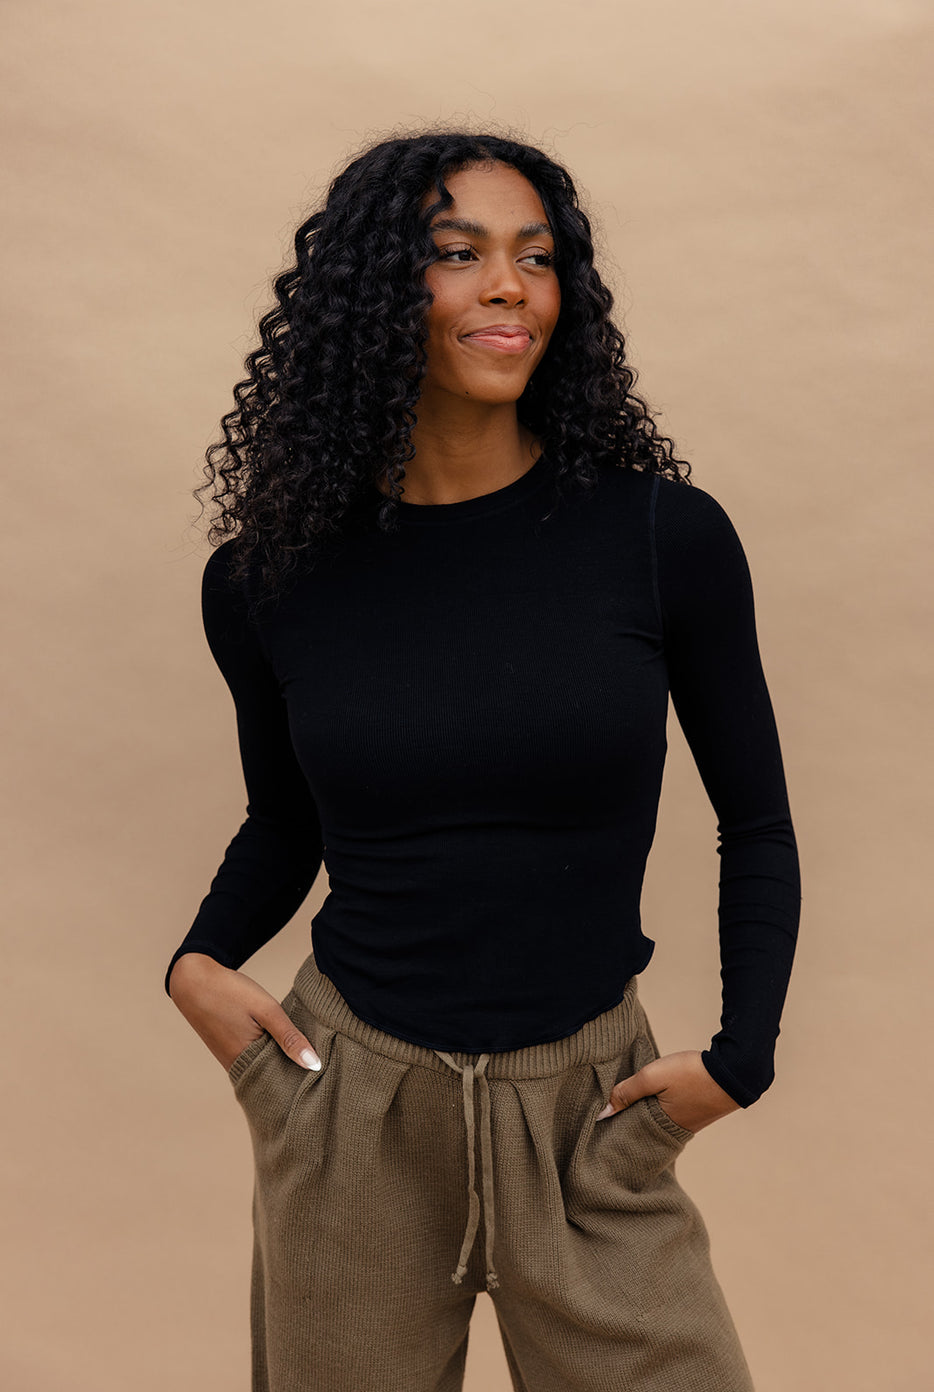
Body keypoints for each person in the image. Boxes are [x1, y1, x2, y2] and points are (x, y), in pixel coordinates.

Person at [166, 129, 801, 1392]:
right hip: (351, 1111)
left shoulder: (661, 538)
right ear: (370, 296)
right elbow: (285, 821)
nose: (509, 285)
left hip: (591, 1115)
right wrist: (194, 961)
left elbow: (759, 823)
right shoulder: (266, 579)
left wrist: (741, 1056)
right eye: (456, 255)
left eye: (536, 257)